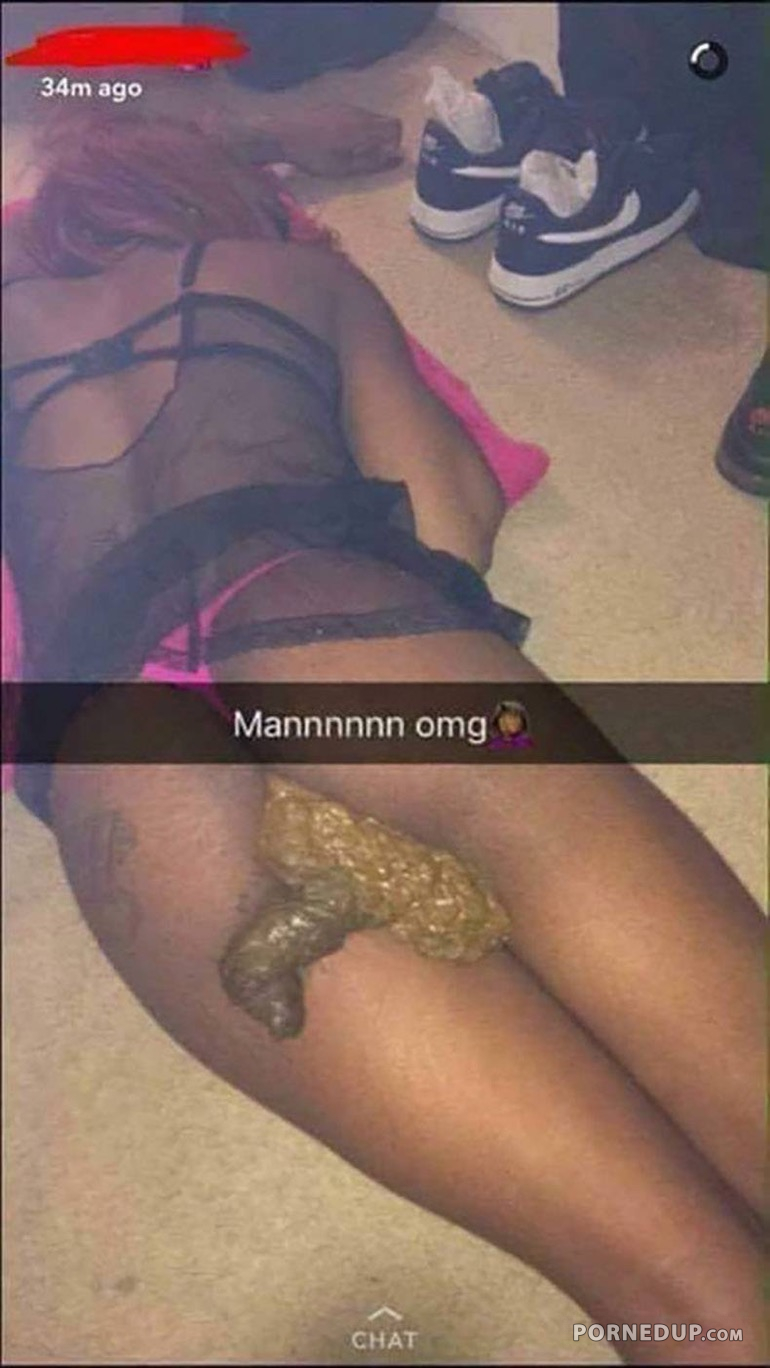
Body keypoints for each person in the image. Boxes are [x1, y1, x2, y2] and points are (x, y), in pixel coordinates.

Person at [2, 111, 765, 1364]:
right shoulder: (301, 275)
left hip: (113, 735)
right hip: (325, 620)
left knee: (674, 1284)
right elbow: (450, 516)